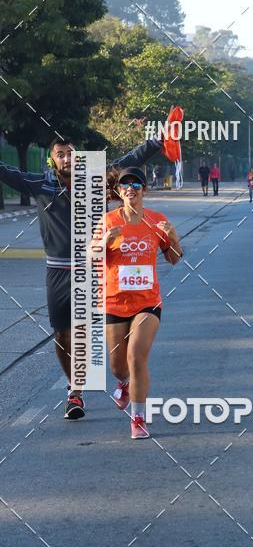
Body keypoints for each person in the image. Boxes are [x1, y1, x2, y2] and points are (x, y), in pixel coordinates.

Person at [0, 134, 163, 420]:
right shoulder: (40, 185)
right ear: (53, 159)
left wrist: (158, 141)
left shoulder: (96, 181)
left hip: (95, 269)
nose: (66, 158)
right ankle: (75, 390)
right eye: (60, 154)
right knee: (63, 335)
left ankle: (117, 380)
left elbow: (128, 162)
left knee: (94, 335)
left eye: (70, 153)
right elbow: (6, 171)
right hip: (58, 271)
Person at [96, 167, 182, 439]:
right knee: (118, 367)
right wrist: (104, 244)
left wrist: (173, 236)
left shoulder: (157, 220)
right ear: (119, 192)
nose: (130, 189)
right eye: (125, 185)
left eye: (135, 184)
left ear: (144, 189)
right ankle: (122, 384)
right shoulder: (109, 221)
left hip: (148, 302)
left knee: (136, 356)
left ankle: (138, 417)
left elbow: (174, 258)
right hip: (114, 302)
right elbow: (89, 256)